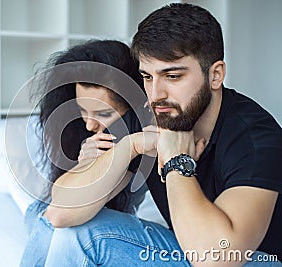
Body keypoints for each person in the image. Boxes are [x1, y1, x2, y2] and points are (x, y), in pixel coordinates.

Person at [40, 3, 282, 266]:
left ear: (215, 75)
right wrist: (131, 146)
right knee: (58, 225)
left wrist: (176, 160)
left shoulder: (257, 139)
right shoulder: (149, 114)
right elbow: (60, 214)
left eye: (173, 76)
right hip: (186, 247)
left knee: (89, 237)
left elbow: (217, 257)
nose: (156, 95)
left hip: (250, 259)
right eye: (147, 77)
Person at [20, 40, 153, 266]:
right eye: (82, 110)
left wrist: (98, 163)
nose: (90, 125)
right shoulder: (88, 133)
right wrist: (85, 164)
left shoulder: (141, 136)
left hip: (106, 219)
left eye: (102, 113)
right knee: (37, 212)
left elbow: (63, 214)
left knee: (53, 223)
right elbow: (59, 206)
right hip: (86, 210)